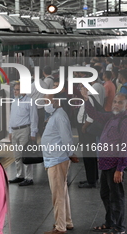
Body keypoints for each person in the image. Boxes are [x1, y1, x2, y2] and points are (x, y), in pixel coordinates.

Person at [81, 89, 127, 234]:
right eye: (115, 101)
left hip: (114, 166)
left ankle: (119, 228)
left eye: (120, 102)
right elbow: (94, 114)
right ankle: (110, 222)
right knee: (105, 194)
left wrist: (120, 169)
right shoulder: (111, 117)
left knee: (116, 197)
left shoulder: (124, 121)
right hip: (105, 164)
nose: (116, 105)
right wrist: (86, 100)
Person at [42, 95, 79, 234]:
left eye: (47, 101)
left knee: (57, 195)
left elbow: (66, 137)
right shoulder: (55, 114)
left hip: (57, 160)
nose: (46, 103)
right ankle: (67, 222)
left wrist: (71, 154)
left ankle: (60, 227)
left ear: (56, 101)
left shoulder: (59, 116)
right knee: (62, 192)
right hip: (54, 159)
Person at [8, 82, 38, 186]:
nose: (15, 91)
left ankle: (29, 178)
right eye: (15, 89)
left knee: (26, 155)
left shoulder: (30, 101)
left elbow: (34, 118)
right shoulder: (14, 101)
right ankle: (19, 175)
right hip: (15, 130)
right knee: (17, 155)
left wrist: (33, 132)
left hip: (25, 130)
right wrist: (10, 131)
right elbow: (11, 117)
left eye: (17, 90)